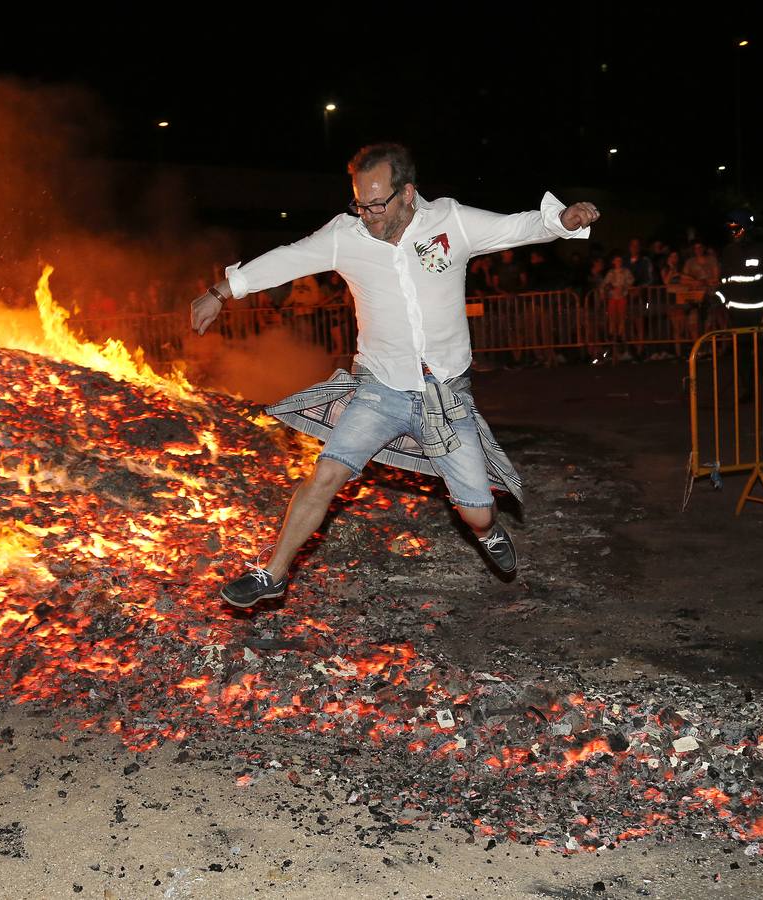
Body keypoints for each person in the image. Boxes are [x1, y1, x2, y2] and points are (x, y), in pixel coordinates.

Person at [190, 142, 599, 608]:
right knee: (324, 474)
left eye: (377, 203)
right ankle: (272, 574)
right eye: (359, 203)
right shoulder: (346, 235)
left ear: (408, 194)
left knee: (477, 513)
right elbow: (286, 259)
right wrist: (219, 292)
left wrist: (560, 222)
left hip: (446, 396)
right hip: (378, 390)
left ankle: (488, 534)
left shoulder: (451, 221)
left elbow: (515, 227)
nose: (367, 214)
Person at [714, 210, 763, 402]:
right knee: (742, 357)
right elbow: (726, 282)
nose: (733, 232)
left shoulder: (762, 251)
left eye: (736, 228)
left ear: (746, 229)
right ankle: (748, 391)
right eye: (731, 229)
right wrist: (717, 299)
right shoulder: (728, 252)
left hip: (760, 316)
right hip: (738, 317)